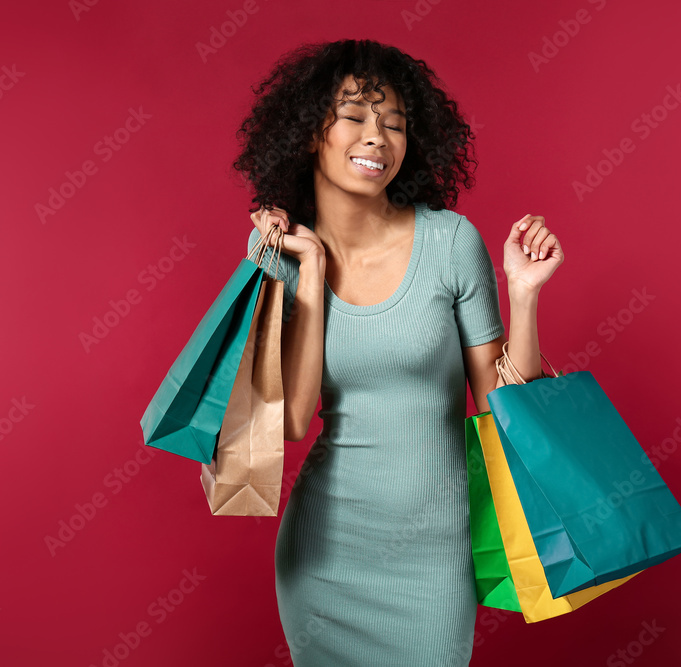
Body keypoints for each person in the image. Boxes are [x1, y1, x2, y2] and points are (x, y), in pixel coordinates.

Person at [232, 39, 563, 666]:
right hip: (325, 555)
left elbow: (504, 409)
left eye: (394, 124)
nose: (376, 137)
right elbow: (296, 419)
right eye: (355, 116)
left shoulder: (451, 241)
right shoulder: (281, 257)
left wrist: (523, 295)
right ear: (310, 135)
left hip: (434, 553)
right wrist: (308, 270)